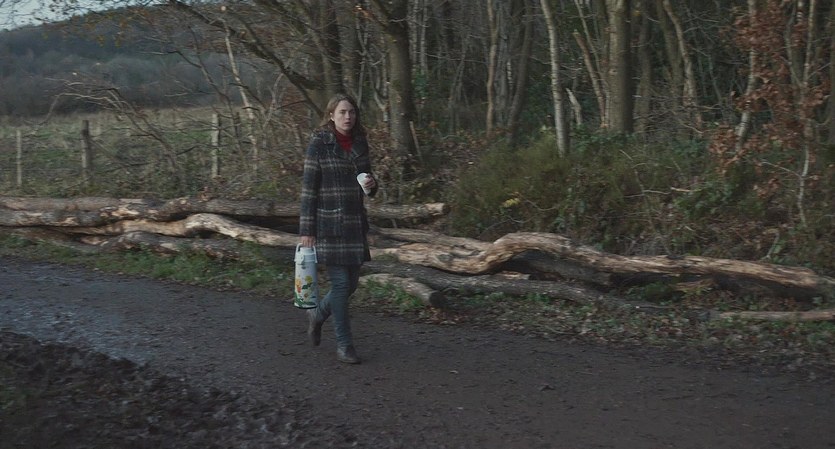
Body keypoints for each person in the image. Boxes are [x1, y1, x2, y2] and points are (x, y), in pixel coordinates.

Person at [298, 93, 378, 364]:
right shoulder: (319, 143)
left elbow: (369, 185)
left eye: (352, 112)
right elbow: (309, 190)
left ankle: (318, 314)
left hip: (355, 223)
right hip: (329, 224)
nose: (348, 116)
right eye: (342, 112)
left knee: (351, 284)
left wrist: (372, 185)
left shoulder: (360, 143)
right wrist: (307, 231)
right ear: (331, 115)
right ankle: (345, 346)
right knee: (341, 284)